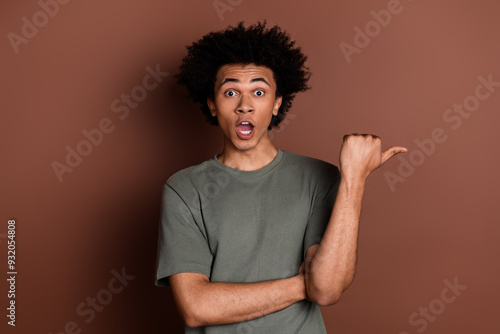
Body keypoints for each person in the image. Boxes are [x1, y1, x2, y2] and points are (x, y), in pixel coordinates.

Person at [154, 20, 407, 333]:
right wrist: (304, 285)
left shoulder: (319, 178)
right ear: (212, 104)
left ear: (276, 104)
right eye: (230, 92)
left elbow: (327, 290)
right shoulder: (183, 189)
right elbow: (196, 307)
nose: (245, 106)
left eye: (258, 92)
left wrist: (354, 179)